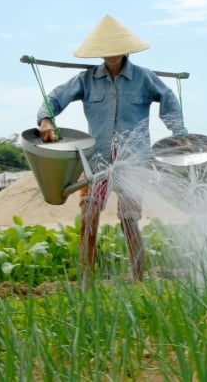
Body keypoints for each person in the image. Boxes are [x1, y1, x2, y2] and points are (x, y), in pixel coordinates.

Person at [37, 15, 187, 283]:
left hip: (133, 161)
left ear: (125, 49)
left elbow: (169, 99)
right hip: (97, 162)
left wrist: (178, 133)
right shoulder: (87, 80)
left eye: (116, 49)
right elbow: (54, 98)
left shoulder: (144, 78)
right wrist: (46, 119)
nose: (112, 55)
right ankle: (86, 280)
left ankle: (139, 277)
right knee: (89, 217)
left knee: (129, 221)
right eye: (107, 50)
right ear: (100, 52)